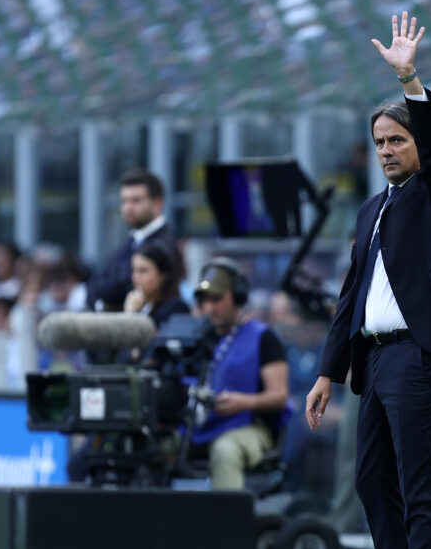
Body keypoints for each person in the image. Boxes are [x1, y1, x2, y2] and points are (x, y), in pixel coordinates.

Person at [304, 12, 431, 549]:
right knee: (373, 484)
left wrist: (410, 82)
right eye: (379, 142)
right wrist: (327, 371)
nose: (386, 151)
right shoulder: (370, 208)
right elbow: (350, 296)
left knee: (417, 485)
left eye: (396, 141)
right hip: (372, 363)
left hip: (418, 355)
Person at [191, 257, 291, 491]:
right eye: (204, 301)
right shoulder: (200, 337)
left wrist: (243, 402)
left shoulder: (264, 337)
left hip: (253, 428)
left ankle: (230, 525)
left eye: (217, 299)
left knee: (225, 450)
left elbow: (279, 396)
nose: (209, 308)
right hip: (202, 425)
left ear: (237, 296)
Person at [85, 169, 179, 313]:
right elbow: (95, 284)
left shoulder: (164, 244)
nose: (128, 207)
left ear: (157, 203)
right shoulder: (132, 239)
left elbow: (120, 288)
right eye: (124, 201)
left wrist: (103, 300)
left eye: (136, 200)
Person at [123, 239, 190, 330]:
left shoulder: (176, 309)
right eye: (134, 270)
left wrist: (132, 314)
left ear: (162, 275)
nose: (135, 278)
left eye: (143, 271)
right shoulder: (143, 306)